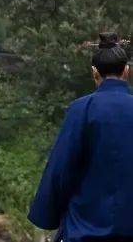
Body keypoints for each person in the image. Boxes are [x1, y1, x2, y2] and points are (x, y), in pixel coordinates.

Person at [28, 32, 132, 242]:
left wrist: (48, 215)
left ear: (95, 73)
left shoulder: (81, 109)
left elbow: (61, 170)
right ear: (127, 71)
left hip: (85, 227)